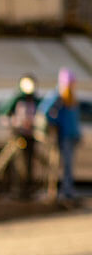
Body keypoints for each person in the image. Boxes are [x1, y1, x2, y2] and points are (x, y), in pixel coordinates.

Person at [39, 67, 82, 205]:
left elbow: (74, 118)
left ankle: (67, 190)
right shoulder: (57, 96)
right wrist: (55, 124)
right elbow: (44, 112)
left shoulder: (71, 97)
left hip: (71, 135)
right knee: (60, 165)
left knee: (68, 165)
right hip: (62, 136)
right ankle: (60, 191)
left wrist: (77, 134)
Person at [0, 74, 39, 198]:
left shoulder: (34, 100)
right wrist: (15, 124)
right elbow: (3, 115)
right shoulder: (17, 99)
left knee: (29, 162)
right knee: (18, 162)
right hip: (18, 135)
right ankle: (16, 188)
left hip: (30, 135)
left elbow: (39, 115)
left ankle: (27, 188)